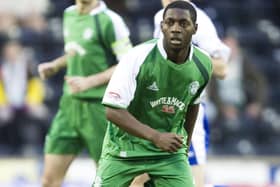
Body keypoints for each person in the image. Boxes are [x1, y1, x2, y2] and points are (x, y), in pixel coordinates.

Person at [93, 1, 213, 186]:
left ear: (195, 28)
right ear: (162, 26)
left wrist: (183, 148)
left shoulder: (203, 64)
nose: (175, 28)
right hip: (124, 149)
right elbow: (112, 111)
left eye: (183, 23)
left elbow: (193, 105)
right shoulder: (137, 57)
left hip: (167, 154)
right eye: (170, 22)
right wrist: (156, 137)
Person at [130, 1, 230, 187]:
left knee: (192, 181)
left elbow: (222, 68)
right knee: (137, 180)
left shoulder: (199, 19)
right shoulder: (159, 16)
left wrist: (188, 57)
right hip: (158, 109)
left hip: (187, 110)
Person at [37, 0, 132, 186]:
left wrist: (90, 81)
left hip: (100, 108)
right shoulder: (69, 14)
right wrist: (55, 65)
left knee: (107, 179)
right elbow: (79, 51)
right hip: (69, 106)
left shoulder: (110, 21)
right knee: (48, 180)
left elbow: (128, 63)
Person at [209, 32, 267, 152]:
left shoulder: (244, 61)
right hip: (221, 105)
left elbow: (260, 81)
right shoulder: (214, 63)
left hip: (242, 104)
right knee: (209, 113)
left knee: (263, 121)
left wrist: (257, 104)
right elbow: (211, 90)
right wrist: (223, 108)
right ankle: (212, 150)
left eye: (232, 47)